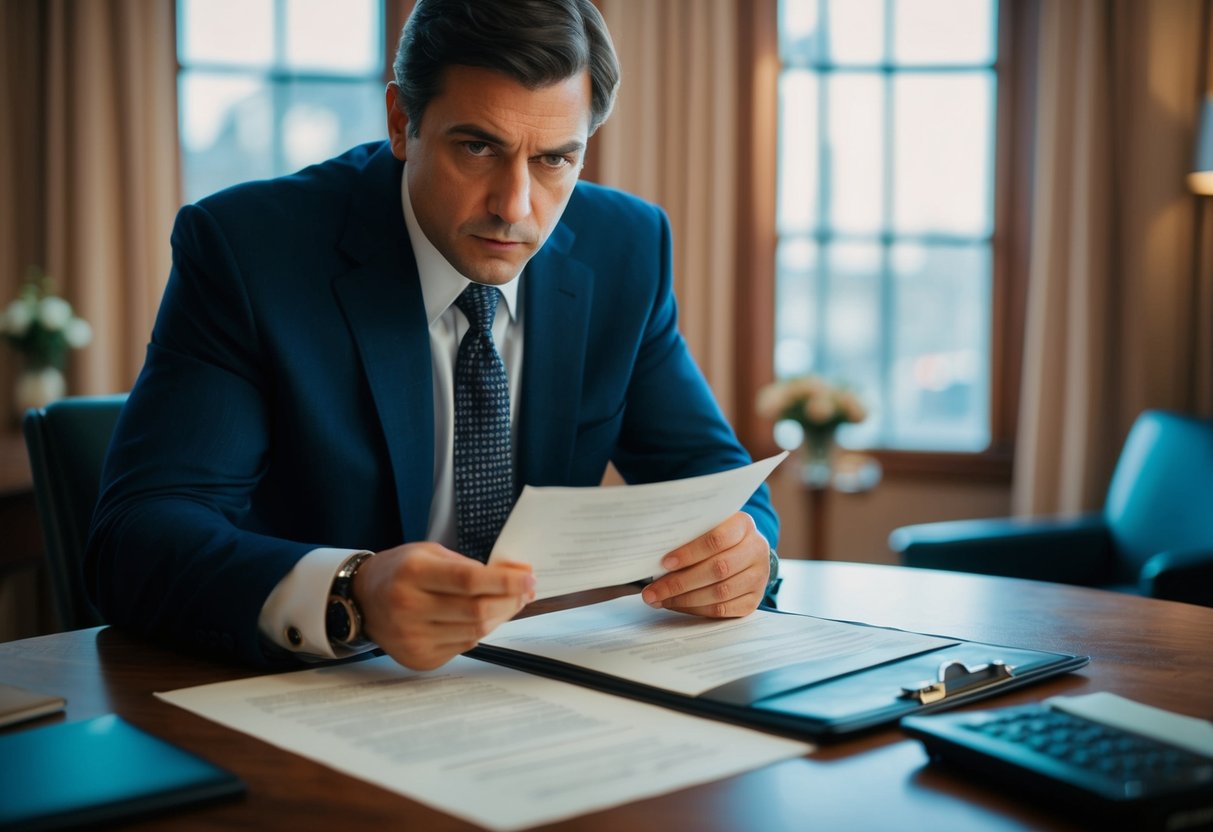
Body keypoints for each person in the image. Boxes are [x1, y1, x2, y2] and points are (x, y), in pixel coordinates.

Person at [86, 0, 779, 671]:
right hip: (309, 690)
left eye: (553, 160)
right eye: (477, 147)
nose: (514, 209)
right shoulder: (252, 252)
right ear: (400, 120)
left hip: (529, 685)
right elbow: (136, 540)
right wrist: (349, 593)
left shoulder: (623, 249)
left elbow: (721, 487)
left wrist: (746, 559)